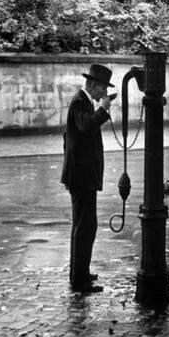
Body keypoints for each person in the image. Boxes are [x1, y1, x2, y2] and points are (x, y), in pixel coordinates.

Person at [61, 64, 114, 293]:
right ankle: (79, 279)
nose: (104, 94)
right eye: (102, 89)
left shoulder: (83, 102)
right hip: (80, 176)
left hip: (83, 175)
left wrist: (100, 109)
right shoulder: (79, 102)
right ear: (93, 85)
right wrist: (103, 110)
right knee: (84, 227)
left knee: (84, 226)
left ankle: (80, 272)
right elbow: (86, 126)